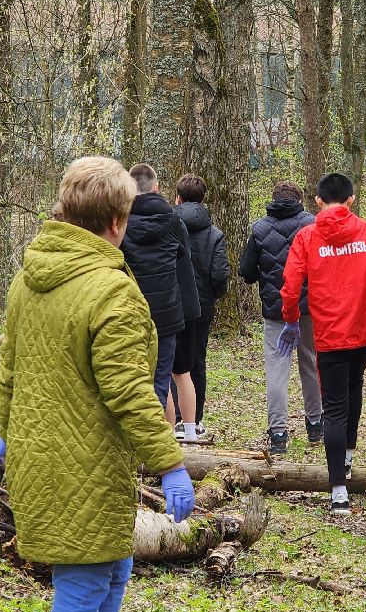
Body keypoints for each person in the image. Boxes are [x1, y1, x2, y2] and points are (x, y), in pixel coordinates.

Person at [0, 156, 195, 612]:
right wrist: (170, 463)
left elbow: (9, 374)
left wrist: (8, 434)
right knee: (82, 584)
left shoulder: (30, 276)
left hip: (41, 457)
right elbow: (130, 390)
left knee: (112, 567)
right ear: (117, 220)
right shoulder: (112, 290)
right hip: (85, 463)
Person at [278, 172, 366, 515]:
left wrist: (290, 318)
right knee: (354, 387)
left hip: (331, 335)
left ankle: (338, 491)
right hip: (364, 335)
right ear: (351, 200)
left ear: (318, 201)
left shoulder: (307, 236)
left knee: (334, 405)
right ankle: (347, 457)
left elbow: (291, 285)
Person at [239, 181, 322, 454]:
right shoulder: (312, 224)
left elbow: (247, 271)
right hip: (309, 309)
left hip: (276, 311)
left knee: (277, 369)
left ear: (273, 200)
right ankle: (315, 423)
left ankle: (277, 433)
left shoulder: (260, 228)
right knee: (310, 362)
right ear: (300, 200)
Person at [120, 165, 200, 435]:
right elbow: (183, 257)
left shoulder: (120, 222)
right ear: (156, 187)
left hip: (131, 310)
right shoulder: (173, 220)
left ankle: (152, 440)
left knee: (135, 378)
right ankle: (161, 444)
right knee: (161, 378)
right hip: (167, 312)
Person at [171, 173, 229, 442]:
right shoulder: (214, 233)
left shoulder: (167, 226)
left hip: (170, 302)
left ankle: (173, 419)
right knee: (197, 361)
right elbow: (219, 274)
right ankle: (195, 420)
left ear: (178, 197)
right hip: (201, 305)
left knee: (169, 361)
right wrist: (215, 295)